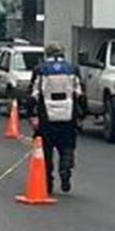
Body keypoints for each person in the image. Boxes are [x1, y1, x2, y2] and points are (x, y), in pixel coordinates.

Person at [28, 42, 83, 194]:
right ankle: (65, 170)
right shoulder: (72, 69)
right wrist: (82, 114)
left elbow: (33, 94)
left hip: (46, 116)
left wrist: (31, 115)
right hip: (68, 115)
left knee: (46, 150)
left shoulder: (40, 70)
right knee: (67, 146)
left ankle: (48, 182)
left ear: (47, 54)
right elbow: (80, 93)